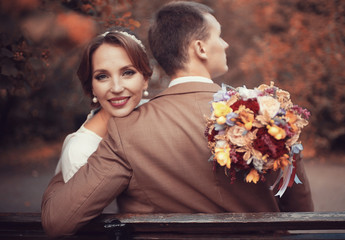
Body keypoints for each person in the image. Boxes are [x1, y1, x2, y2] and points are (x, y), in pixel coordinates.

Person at [41, 1, 313, 238]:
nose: (225, 43)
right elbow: (301, 213)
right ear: (200, 48)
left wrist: (60, 172)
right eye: (219, 35)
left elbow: (58, 221)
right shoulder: (267, 113)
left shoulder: (126, 130)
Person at [54, 27, 152, 183]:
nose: (117, 88)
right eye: (102, 76)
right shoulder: (80, 151)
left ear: (145, 79)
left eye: (127, 73)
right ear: (91, 86)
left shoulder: (158, 115)